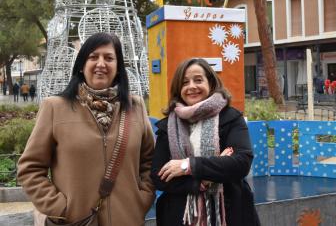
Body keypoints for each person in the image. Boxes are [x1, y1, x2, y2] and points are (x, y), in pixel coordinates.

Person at [17, 32, 155, 226]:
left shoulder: (136, 107)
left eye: (109, 58)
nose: (101, 64)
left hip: (128, 218)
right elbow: (30, 168)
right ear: (82, 65)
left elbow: (149, 161)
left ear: (118, 67)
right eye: (93, 57)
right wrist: (60, 208)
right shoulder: (55, 107)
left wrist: (142, 199)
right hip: (78, 220)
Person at [151, 58, 260, 226]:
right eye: (185, 82)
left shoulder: (230, 118)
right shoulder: (168, 126)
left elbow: (241, 162)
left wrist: (188, 166)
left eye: (198, 80)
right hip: (180, 217)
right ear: (178, 89)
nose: (192, 86)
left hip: (230, 215)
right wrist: (202, 182)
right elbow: (160, 177)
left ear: (211, 83)